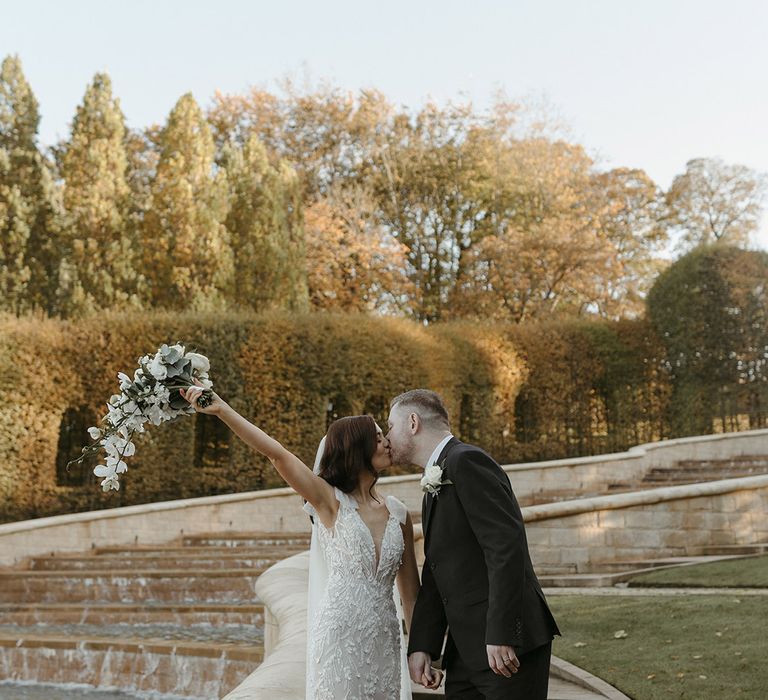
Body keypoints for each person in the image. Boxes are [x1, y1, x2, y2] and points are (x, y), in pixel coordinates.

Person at [180, 380, 441, 699]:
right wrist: (222, 409)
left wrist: (420, 651)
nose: (386, 441)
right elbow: (276, 455)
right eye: (376, 438)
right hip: (338, 637)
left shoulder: (399, 514)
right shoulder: (330, 502)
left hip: (385, 639)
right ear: (357, 449)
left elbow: (411, 595)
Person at [386, 388, 561, 699]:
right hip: (466, 650)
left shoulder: (467, 461)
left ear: (413, 422)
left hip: (505, 648)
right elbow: (439, 568)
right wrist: (423, 646)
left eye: (390, 425)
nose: (387, 436)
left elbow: (505, 548)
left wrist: (501, 633)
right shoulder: (435, 481)